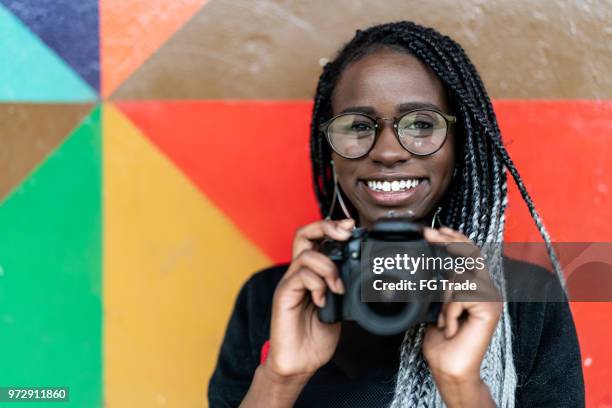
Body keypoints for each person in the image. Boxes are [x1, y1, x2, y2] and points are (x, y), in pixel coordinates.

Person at [208, 21, 584, 407]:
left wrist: (461, 384)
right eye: (358, 126)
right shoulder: (277, 297)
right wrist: (281, 378)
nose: (388, 152)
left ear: (459, 146)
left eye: (421, 124)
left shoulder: (526, 300)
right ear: (331, 153)